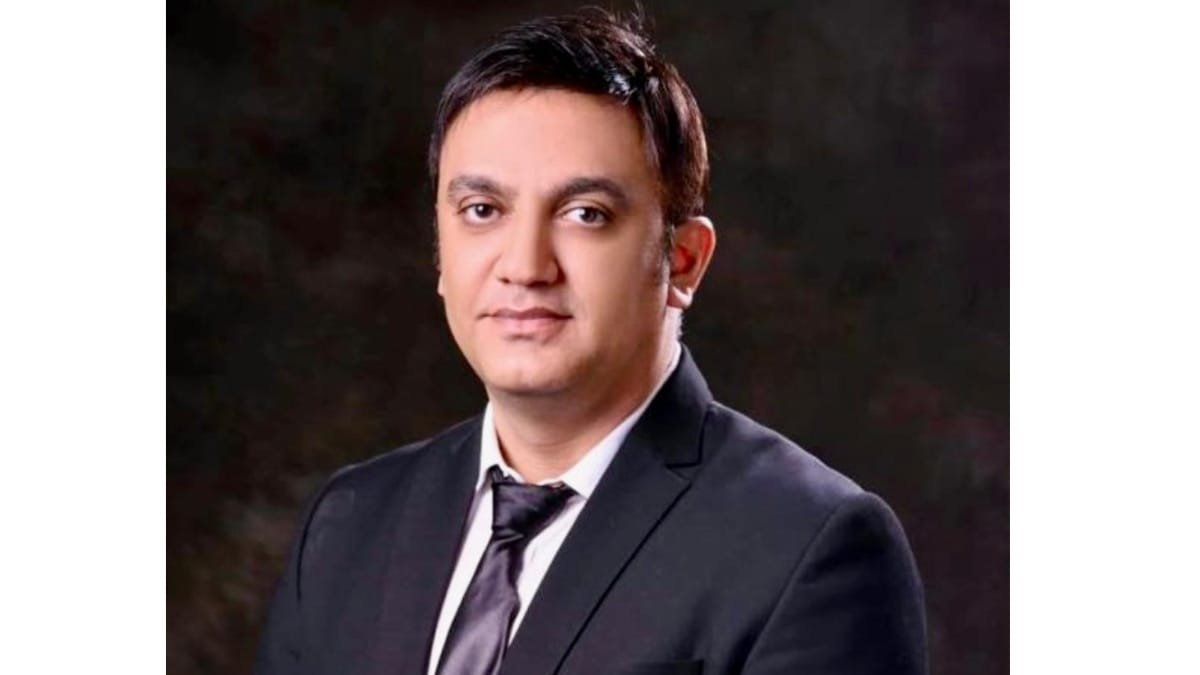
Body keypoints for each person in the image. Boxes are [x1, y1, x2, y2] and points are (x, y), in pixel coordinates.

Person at [256, 9, 926, 675]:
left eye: (586, 214)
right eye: (482, 211)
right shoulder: (349, 522)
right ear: (440, 249)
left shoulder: (808, 545)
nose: (525, 266)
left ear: (684, 261)